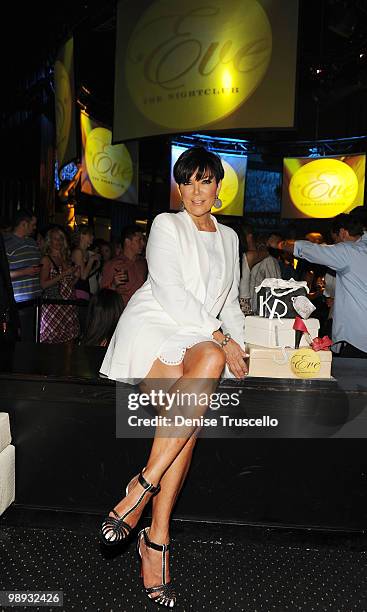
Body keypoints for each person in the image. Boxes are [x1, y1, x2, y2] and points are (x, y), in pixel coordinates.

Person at [99, 146, 247, 607]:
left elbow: (229, 303)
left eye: (206, 180)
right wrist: (222, 338)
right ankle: (157, 537)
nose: (198, 190)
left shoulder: (230, 237)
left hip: (203, 336)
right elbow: (170, 291)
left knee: (198, 393)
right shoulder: (166, 225)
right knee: (189, 421)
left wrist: (239, 345)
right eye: (189, 181)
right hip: (159, 324)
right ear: (179, 188)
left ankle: (142, 493)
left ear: (218, 186)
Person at [281, 214, 367, 358]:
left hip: (357, 340)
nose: (333, 246)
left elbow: (313, 251)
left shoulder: (348, 251)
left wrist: (281, 244)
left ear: (343, 233)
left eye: (335, 241)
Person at [5, 210, 42, 341]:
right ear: (24, 224)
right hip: (17, 303)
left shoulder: (32, 243)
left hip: (35, 302)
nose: (35, 227)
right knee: (19, 342)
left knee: (32, 340)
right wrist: (25, 272)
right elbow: (3, 274)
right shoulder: (6, 244)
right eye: (33, 224)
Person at [39, 228, 80, 344]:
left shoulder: (66, 259)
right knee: (51, 342)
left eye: (61, 238)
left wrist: (76, 276)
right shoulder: (46, 260)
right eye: (55, 238)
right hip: (53, 306)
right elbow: (43, 284)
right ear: (49, 241)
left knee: (69, 342)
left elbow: (68, 285)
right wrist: (64, 274)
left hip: (68, 305)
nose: (59, 241)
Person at [101, 225, 147, 306]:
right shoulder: (113, 264)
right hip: (122, 312)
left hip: (140, 311)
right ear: (128, 242)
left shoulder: (143, 263)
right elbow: (103, 295)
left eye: (143, 240)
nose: (143, 243)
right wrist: (113, 285)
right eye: (139, 240)